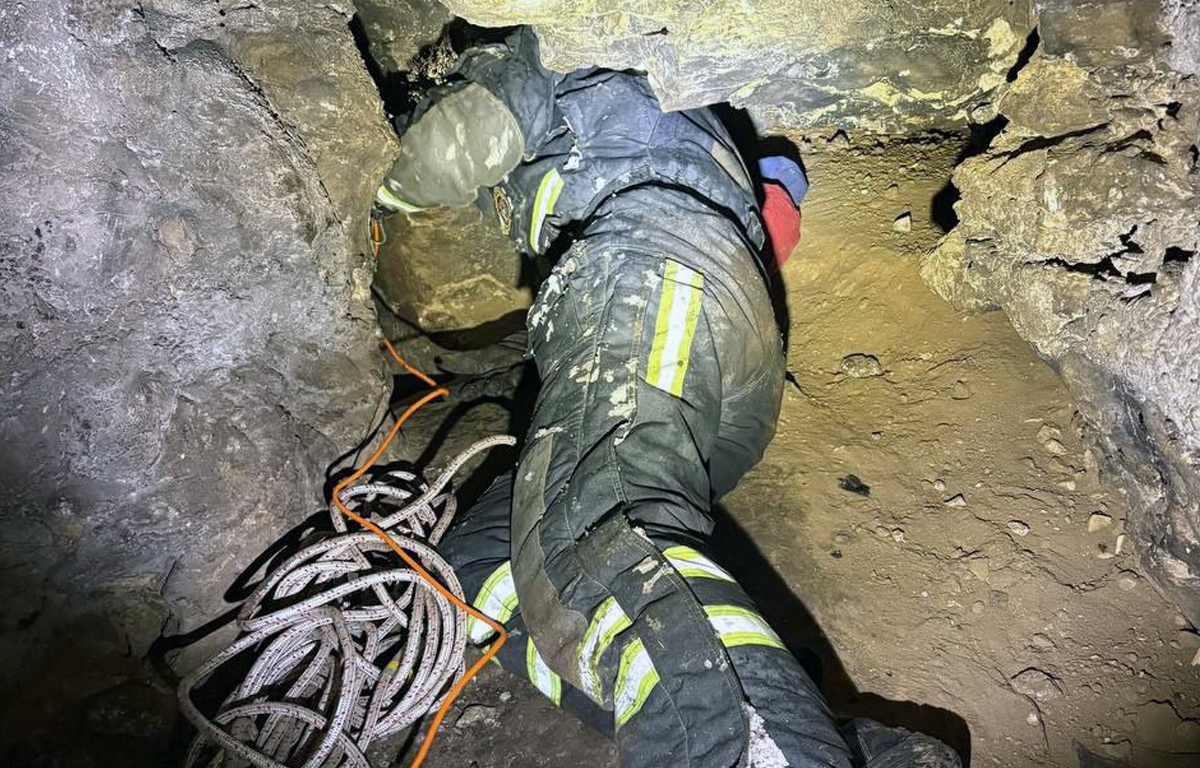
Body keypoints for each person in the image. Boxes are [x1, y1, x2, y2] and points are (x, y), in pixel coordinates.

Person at [375, 27, 961, 768]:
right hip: (718, 356)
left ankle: (748, 748)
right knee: (465, 577)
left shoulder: (552, 44)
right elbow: (779, 203)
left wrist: (369, 188)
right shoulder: (682, 97)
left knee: (597, 535)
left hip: (652, 283)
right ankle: (795, 725)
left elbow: (451, 145)